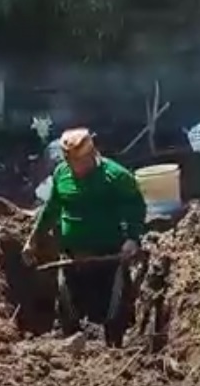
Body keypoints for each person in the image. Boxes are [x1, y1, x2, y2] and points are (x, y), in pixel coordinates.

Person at [21, 128, 146, 340]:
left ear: (92, 154)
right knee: (68, 308)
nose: (75, 168)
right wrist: (33, 240)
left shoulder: (116, 177)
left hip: (107, 258)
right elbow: (51, 209)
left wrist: (132, 238)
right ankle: (70, 353)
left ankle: (114, 349)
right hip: (72, 257)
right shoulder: (61, 174)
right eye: (71, 162)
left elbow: (136, 207)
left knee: (112, 311)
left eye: (80, 162)